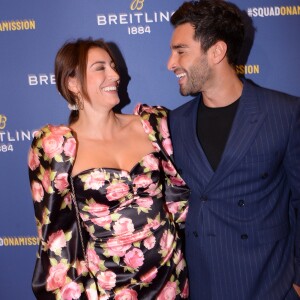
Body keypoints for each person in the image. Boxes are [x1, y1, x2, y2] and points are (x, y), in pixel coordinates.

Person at [28, 38, 190, 300]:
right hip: (110, 289)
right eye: (100, 68)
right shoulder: (56, 148)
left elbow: (179, 194)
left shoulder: (151, 124)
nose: (115, 75)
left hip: (170, 278)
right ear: (72, 82)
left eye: (113, 66)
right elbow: (55, 238)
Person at [167, 1, 300, 299]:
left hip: (268, 285)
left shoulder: (284, 114)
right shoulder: (174, 123)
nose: (170, 63)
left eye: (181, 51)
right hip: (203, 285)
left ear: (216, 51)